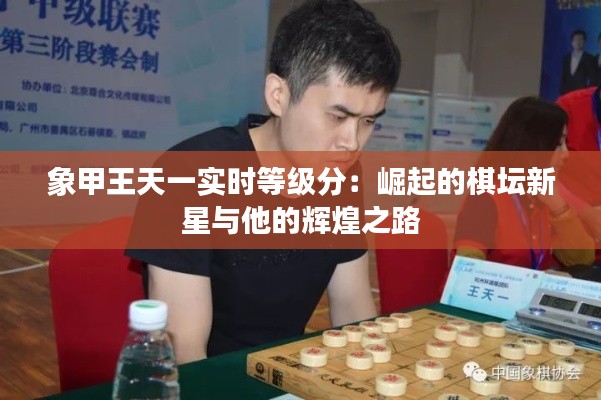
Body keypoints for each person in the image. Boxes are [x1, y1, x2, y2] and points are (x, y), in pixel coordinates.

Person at [126, 0, 401, 364]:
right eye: (337, 117)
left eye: (368, 122)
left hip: (288, 373)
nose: (352, 142)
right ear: (278, 96)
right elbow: (186, 354)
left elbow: (353, 308)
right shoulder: (187, 174)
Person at [454, 97, 595, 270]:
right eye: (558, 144)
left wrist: (559, 208)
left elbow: (582, 260)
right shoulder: (485, 197)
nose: (565, 154)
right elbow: (467, 271)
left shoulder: (541, 198)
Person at [560, 29, 595, 95]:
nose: (578, 42)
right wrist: (561, 92)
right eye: (576, 39)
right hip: (566, 93)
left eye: (581, 40)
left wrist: (587, 92)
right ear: (572, 42)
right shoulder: (566, 58)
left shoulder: (589, 58)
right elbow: (563, 76)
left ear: (584, 42)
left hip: (581, 93)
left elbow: (592, 78)